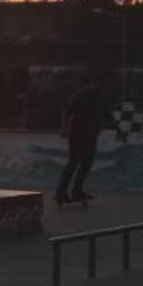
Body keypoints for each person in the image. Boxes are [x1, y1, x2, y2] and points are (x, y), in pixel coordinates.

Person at [56, 68, 113, 205]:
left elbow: (108, 116)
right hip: (77, 133)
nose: (99, 87)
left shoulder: (101, 97)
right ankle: (61, 193)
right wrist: (64, 127)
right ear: (93, 82)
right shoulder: (83, 93)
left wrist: (120, 131)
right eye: (97, 84)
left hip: (91, 135)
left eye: (101, 85)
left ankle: (77, 191)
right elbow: (67, 109)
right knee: (74, 162)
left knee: (87, 163)